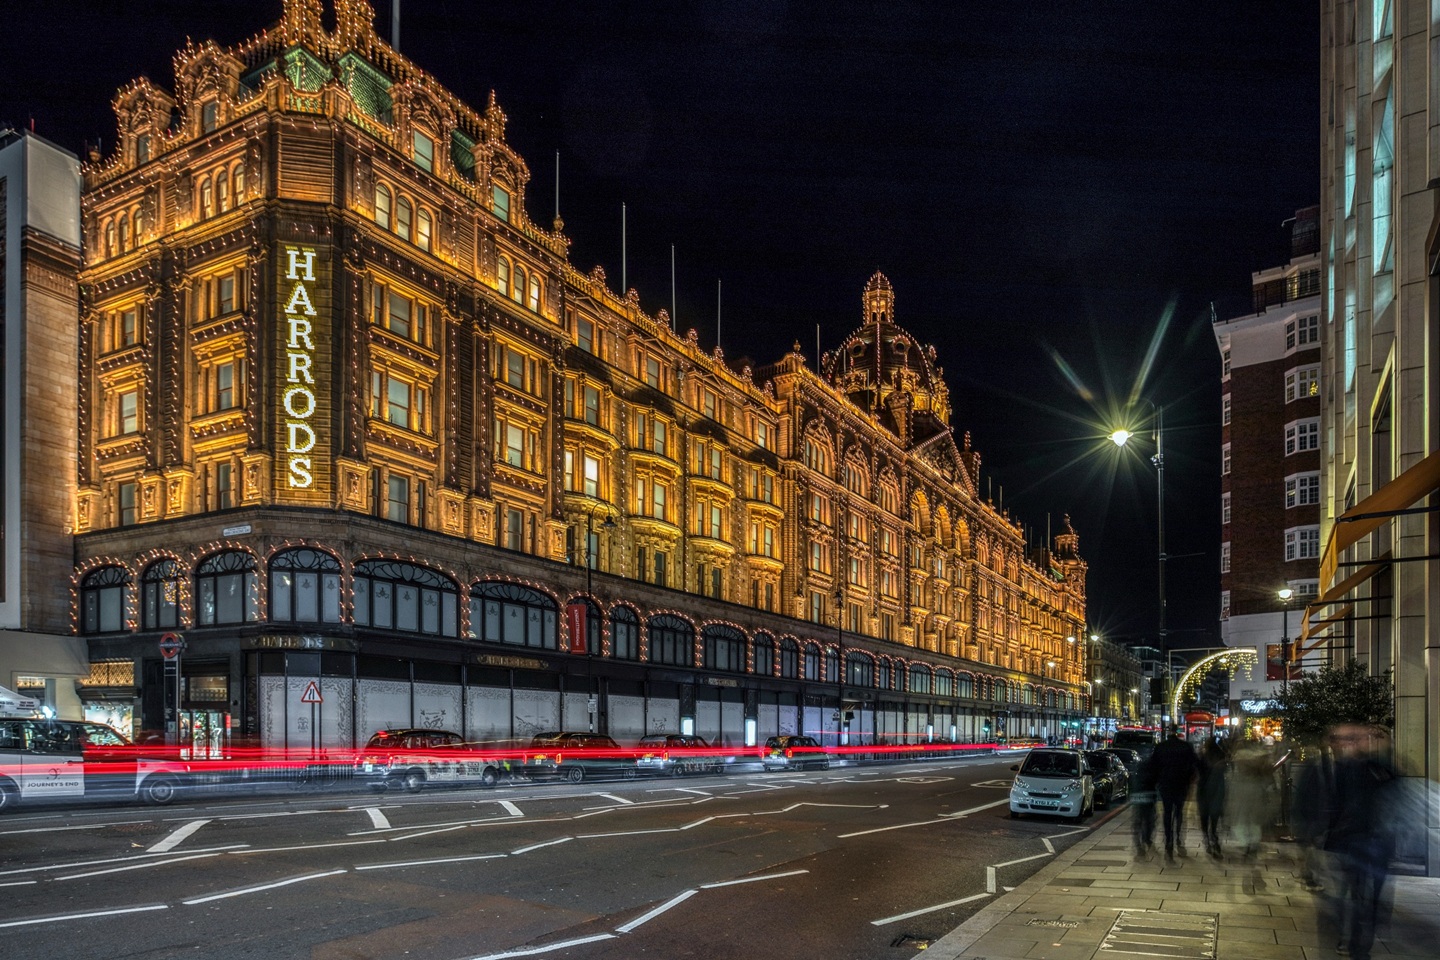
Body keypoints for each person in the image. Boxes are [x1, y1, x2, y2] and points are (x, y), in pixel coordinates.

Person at [1314, 724, 1399, 960]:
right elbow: (1329, 804)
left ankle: (1359, 945)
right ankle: (1350, 940)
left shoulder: (1379, 768)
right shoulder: (1340, 768)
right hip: (1347, 842)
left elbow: (1393, 798)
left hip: (1374, 843)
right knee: (1347, 896)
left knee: (1367, 898)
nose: (1349, 743)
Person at [1149, 725, 1199, 863]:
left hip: (1165, 784)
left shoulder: (1161, 747)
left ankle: (1168, 843)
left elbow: (1153, 767)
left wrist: (1156, 782)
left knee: (1167, 812)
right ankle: (1178, 839)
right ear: (1177, 733)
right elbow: (1194, 764)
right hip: (1181, 784)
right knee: (1179, 812)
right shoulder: (1186, 746)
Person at [1196, 736, 1228, 859]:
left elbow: (1197, 769)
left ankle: (1207, 839)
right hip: (1217, 791)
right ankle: (1214, 839)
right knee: (1214, 819)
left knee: (1204, 818)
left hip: (1203, 790)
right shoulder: (1221, 757)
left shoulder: (1203, 757)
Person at [1131, 751, 1159, 859]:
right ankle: (1147, 839)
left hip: (1138, 795)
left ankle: (1139, 846)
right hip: (1148, 796)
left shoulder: (1139, 767)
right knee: (1149, 820)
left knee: (1138, 821)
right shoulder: (1153, 768)